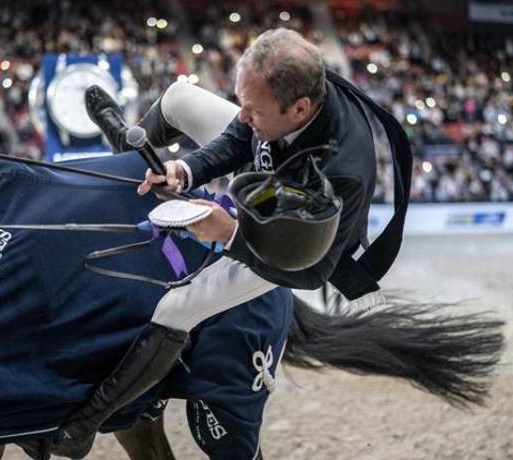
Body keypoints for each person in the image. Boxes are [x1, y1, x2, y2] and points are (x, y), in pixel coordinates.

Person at [55, 27, 411, 457]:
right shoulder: (284, 99)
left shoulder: (341, 177)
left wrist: (232, 235)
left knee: (176, 307)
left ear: (300, 109)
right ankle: (135, 161)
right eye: (242, 103)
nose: (242, 115)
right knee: (179, 99)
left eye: (252, 109)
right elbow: (242, 138)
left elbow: (312, 272)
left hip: (292, 237)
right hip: (274, 173)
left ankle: (89, 420)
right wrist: (185, 171)